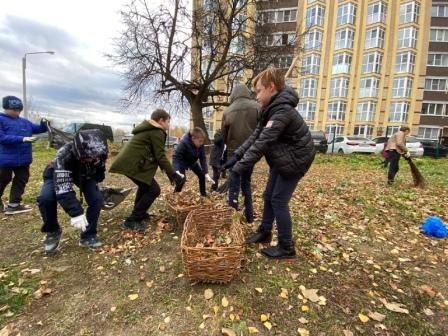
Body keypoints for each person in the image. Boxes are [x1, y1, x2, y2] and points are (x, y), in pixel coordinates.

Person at [224, 67, 315, 259]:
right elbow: (256, 136)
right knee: (268, 196)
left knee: (278, 200)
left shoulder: (282, 111)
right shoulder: (270, 109)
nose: (256, 96)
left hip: (295, 159)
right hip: (281, 158)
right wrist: (237, 157)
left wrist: (238, 170)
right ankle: (265, 231)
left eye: (258, 91)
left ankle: (286, 247)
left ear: (271, 87)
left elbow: (263, 143)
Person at [110, 109, 184, 232]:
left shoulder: (150, 129)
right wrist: (173, 173)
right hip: (133, 164)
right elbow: (160, 155)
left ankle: (140, 213)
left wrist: (170, 174)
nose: (169, 125)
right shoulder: (156, 131)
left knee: (145, 187)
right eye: (168, 122)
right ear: (161, 120)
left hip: (131, 163)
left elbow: (156, 155)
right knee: (154, 190)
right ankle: (132, 220)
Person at [37, 129, 108, 253]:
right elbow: (63, 188)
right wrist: (76, 212)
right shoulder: (64, 154)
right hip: (57, 171)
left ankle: (88, 235)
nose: (93, 159)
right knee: (46, 198)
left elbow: (99, 172)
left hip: (84, 174)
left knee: (96, 199)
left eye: (95, 157)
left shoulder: (99, 153)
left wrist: (98, 183)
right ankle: (52, 230)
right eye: (89, 157)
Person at [0, 96, 47, 214]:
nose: (17, 112)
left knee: (21, 180)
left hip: (23, 159)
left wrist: (44, 123)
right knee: (3, 180)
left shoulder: (24, 122)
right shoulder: (1, 119)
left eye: (19, 110)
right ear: (6, 108)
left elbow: (39, 129)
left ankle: (14, 205)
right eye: (14, 110)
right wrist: (23, 139)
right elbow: (2, 138)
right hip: (5, 159)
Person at [221, 83, 259, 222]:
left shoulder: (227, 111)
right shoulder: (257, 107)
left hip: (233, 152)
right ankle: (249, 215)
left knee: (233, 183)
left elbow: (224, 136)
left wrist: (229, 147)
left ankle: (233, 217)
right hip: (251, 151)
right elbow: (262, 129)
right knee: (247, 182)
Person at [172, 127, 214, 196]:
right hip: (182, 162)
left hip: (192, 162)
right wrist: (176, 169)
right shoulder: (184, 143)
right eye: (200, 141)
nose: (201, 143)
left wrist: (206, 173)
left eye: (202, 141)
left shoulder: (201, 145)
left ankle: (203, 194)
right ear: (193, 138)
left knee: (202, 175)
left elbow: (202, 158)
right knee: (181, 179)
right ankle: (175, 194)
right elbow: (176, 157)